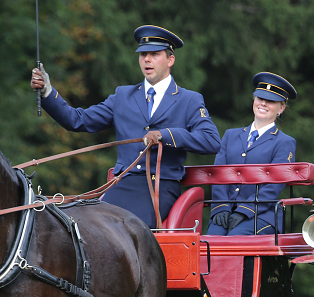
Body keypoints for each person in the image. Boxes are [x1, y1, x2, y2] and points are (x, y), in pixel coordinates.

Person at [30, 25, 221, 229]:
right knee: (82, 226)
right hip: (121, 185)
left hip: (159, 188)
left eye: (155, 54)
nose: (147, 59)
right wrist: (48, 93)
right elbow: (78, 120)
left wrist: (166, 135)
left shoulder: (189, 100)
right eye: (143, 54)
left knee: (120, 229)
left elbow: (211, 141)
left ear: (170, 60)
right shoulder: (122, 95)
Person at [207, 72, 297, 236]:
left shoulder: (284, 142)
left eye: (270, 101)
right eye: (260, 98)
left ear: (281, 108)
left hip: (263, 215)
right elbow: (218, 174)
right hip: (225, 212)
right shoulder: (230, 135)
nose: (263, 103)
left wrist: (245, 210)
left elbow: (274, 185)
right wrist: (221, 207)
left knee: (235, 241)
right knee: (207, 245)